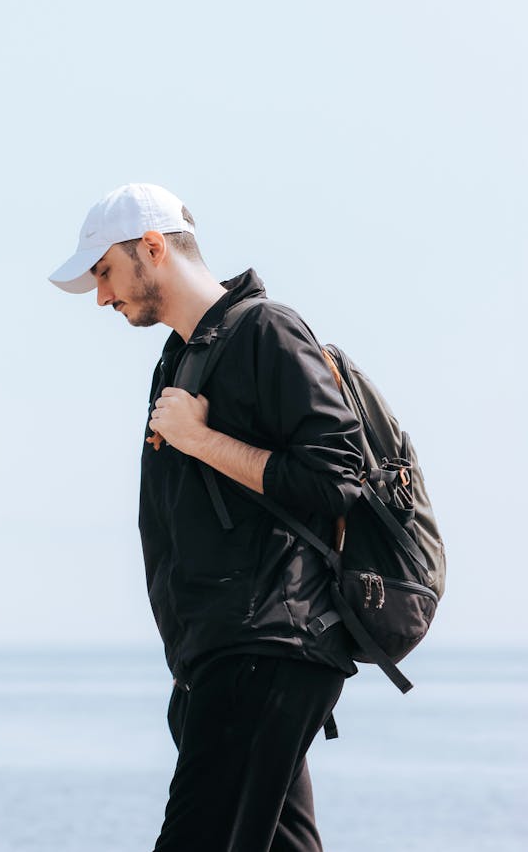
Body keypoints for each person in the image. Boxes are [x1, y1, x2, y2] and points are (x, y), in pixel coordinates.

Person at [49, 182, 364, 852]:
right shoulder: (181, 358)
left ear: (152, 248)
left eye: (104, 271)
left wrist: (202, 441)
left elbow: (340, 477)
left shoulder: (265, 331)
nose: (102, 295)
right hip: (217, 660)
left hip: (267, 645)